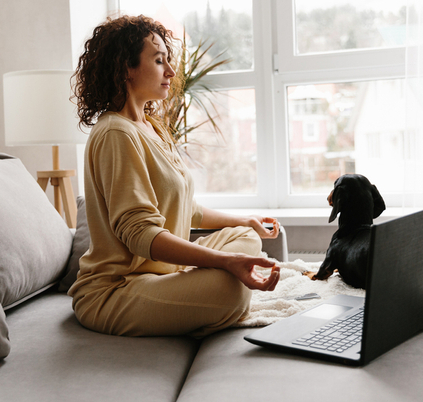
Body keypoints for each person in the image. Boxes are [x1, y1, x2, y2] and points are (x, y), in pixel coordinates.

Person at [68, 14, 281, 338]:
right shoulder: (116, 133)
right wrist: (224, 263)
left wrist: (244, 221)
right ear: (126, 68)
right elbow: (140, 234)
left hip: (165, 273)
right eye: (158, 61)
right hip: (116, 290)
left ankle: (192, 300)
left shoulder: (151, 127)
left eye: (169, 60)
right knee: (231, 291)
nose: (170, 71)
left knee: (247, 240)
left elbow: (187, 209)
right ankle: (201, 301)